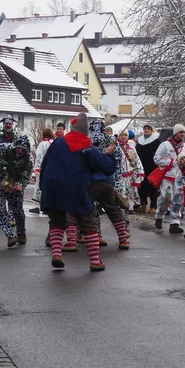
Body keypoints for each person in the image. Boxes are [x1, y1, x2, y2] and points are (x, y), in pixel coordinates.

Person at [40, 113, 117, 271]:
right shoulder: (86, 145)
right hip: (74, 187)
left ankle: (56, 253)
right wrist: (108, 155)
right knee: (88, 222)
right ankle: (95, 261)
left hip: (52, 186)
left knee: (57, 222)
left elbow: (45, 163)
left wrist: (43, 187)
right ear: (85, 130)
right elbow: (106, 167)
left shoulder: (58, 142)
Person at [0, 135, 33, 247]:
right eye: (18, 148)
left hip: (14, 184)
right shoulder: (3, 148)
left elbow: (27, 175)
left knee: (18, 211)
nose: (20, 151)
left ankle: (21, 232)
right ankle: (10, 236)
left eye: (23, 150)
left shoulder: (28, 160)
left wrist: (21, 184)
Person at [153, 124, 185, 234]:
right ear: (175, 133)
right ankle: (159, 216)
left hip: (180, 178)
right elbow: (156, 158)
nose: (182, 134)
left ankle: (174, 223)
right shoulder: (165, 145)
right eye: (180, 132)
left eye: (184, 133)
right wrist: (171, 162)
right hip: (167, 176)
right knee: (167, 198)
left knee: (178, 199)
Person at [135, 124, 161, 214]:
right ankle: (143, 204)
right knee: (141, 186)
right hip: (141, 166)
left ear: (151, 130)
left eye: (148, 129)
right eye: (145, 128)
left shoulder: (156, 141)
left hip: (152, 166)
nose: (146, 130)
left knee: (153, 186)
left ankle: (153, 206)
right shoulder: (140, 141)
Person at [117, 130, 144, 214]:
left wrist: (140, 171)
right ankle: (121, 209)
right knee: (121, 192)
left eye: (125, 135)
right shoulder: (115, 147)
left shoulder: (131, 147)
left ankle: (130, 207)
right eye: (121, 135)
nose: (123, 137)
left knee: (131, 191)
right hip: (120, 175)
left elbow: (136, 160)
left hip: (130, 174)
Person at [29, 128, 54, 214]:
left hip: (41, 169)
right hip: (51, 169)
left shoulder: (42, 144)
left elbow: (39, 156)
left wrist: (37, 168)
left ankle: (36, 205)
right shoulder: (53, 143)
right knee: (49, 187)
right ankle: (48, 206)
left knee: (39, 186)